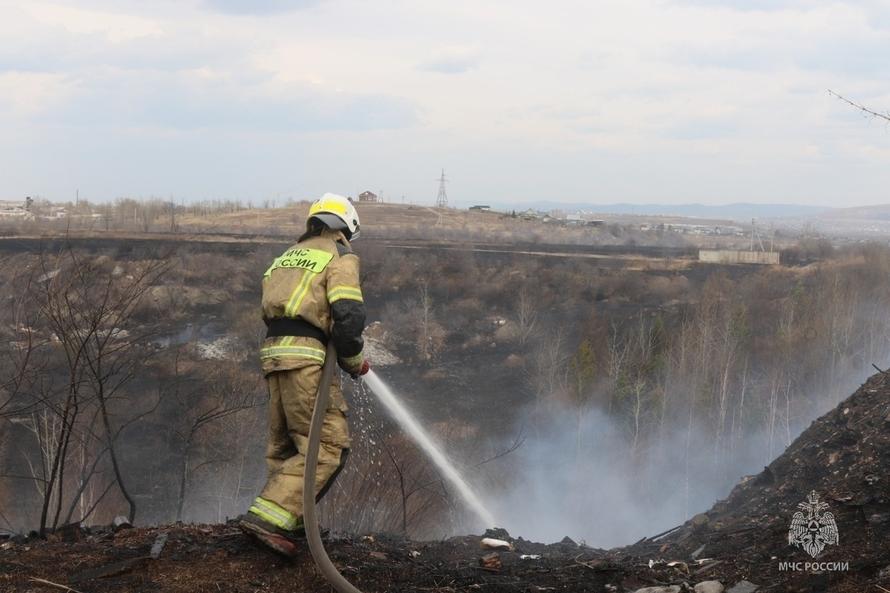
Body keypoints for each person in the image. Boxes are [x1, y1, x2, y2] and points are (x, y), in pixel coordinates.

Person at [240, 193, 370, 557]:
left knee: (286, 445)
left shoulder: (285, 258)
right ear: (345, 229)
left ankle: (288, 521)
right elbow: (348, 316)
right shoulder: (339, 256)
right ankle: (267, 520)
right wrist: (354, 359)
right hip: (308, 357)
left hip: (274, 354)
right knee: (327, 445)